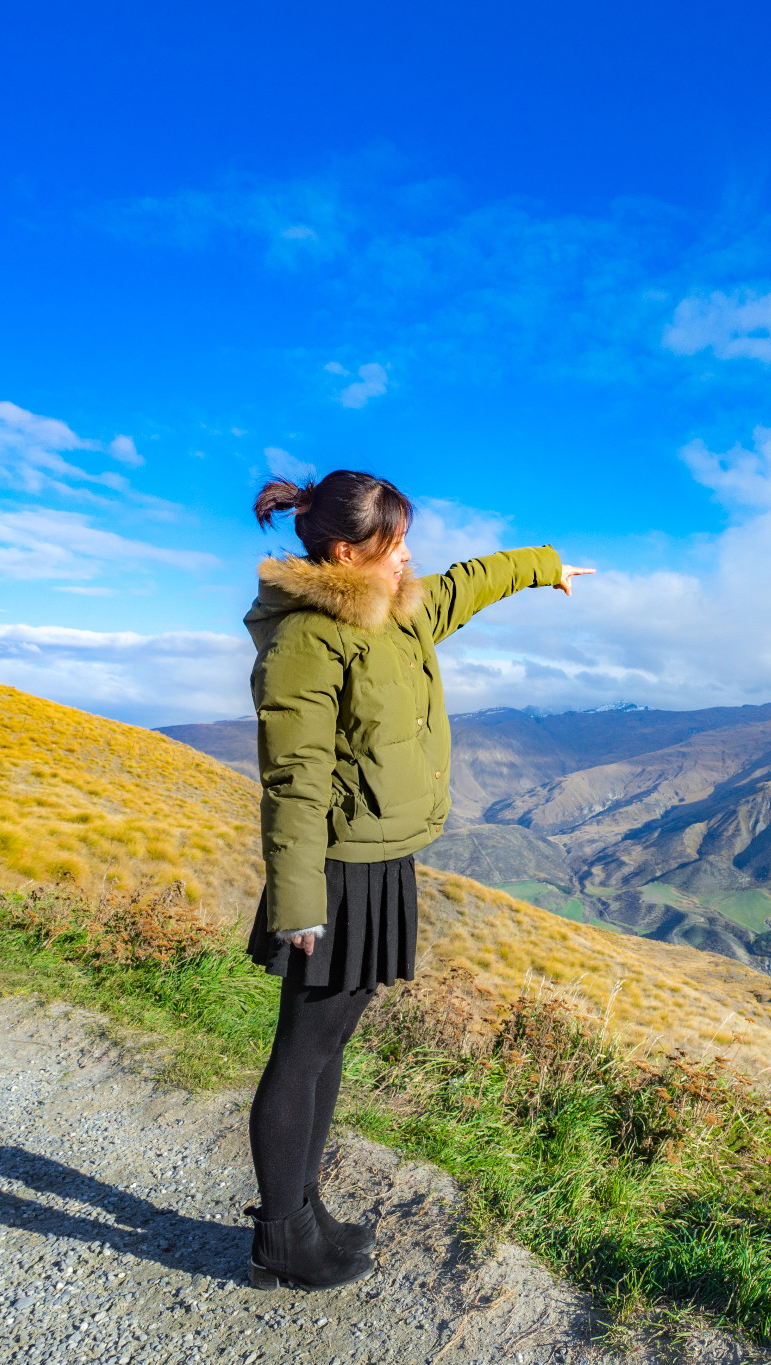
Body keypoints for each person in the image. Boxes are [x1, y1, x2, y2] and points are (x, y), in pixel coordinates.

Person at [240, 469, 592, 1291]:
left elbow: (469, 584)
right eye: (394, 545)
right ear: (343, 553)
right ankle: (281, 1236)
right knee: (303, 1049)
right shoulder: (306, 640)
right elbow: (293, 777)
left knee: (329, 1045)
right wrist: (297, 904)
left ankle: (302, 1205)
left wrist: (545, 564)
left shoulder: (397, 608)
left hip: (381, 856)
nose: (409, 558)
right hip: (332, 870)